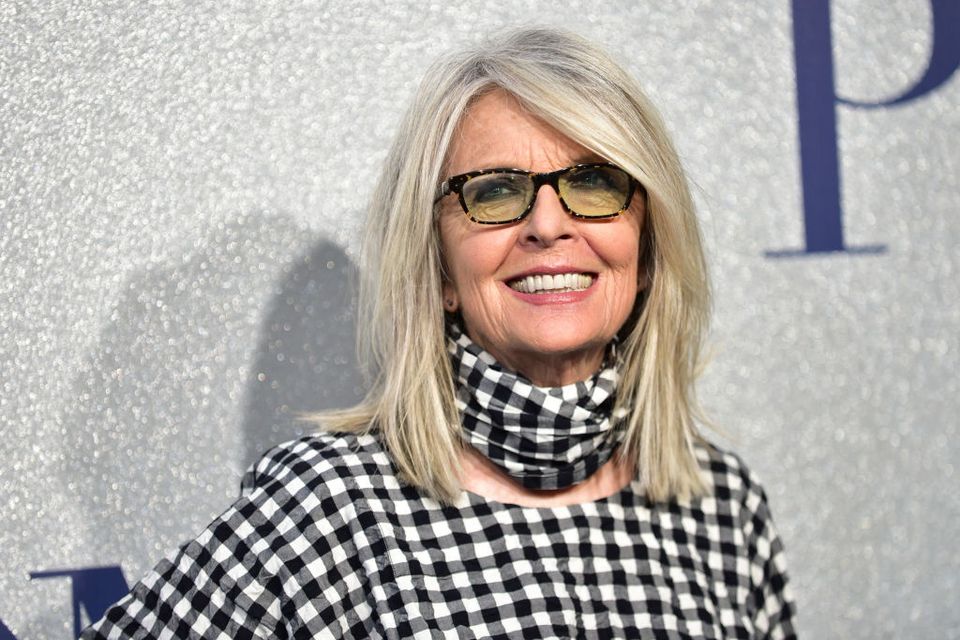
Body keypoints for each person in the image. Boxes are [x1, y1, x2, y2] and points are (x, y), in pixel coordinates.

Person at [83, 27, 797, 639]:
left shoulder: (722, 508)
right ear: (440, 267)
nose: (548, 225)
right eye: (495, 192)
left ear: (647, 247)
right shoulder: (329, 509)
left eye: (595, 183)